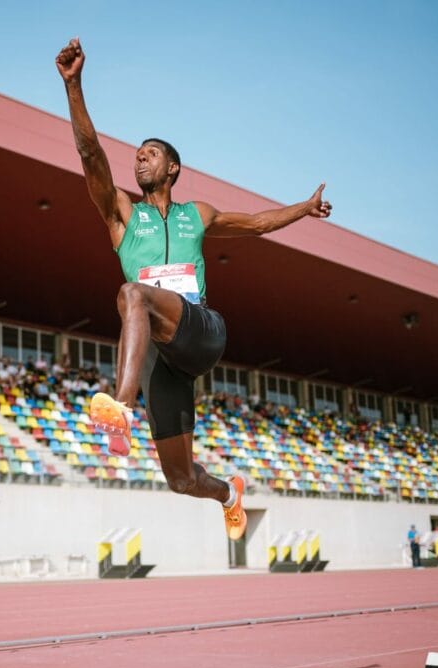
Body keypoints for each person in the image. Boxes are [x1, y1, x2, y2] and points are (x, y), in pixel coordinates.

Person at [55, 38, 332, 541]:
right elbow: (90, 153)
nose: (139, 161)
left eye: (150, 154)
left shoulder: (196, 215)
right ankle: (230, 495)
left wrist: (303, 208)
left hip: (201, 332)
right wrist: (74, 86)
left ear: (173, 168)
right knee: (180, 479)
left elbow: (257, 223)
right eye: (136, 156)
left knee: (131, 294)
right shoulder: (122, 215)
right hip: (164, 359)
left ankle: (120, 405)